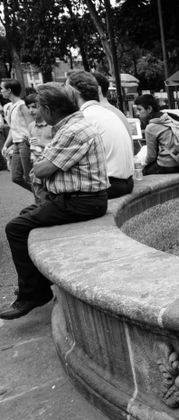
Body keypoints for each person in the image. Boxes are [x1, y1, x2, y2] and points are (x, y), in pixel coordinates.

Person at [0, 82, 109, 320]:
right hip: (74, 199)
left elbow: (41, 169)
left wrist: (41, 167)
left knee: (15, 228)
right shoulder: (71, 126)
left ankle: (33, 294)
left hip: (81, 202)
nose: (35, 113)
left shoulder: (72, 131)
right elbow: (41, 167)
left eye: (37, 107)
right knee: (24, 216)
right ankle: (36, 284)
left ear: (49, 108)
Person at [66, 71, 134, 199]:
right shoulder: (108, 112)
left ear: (75, 92)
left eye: (67, 89)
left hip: (110, 185)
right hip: (126, 182)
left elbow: (63, 161)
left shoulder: (84, 116)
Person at [133, 94, 179, 175]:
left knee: (139, 173)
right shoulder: (171, 116)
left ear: (149, 109)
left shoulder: (151, 127)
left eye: (139, 109)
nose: (137, 113)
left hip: (169, 164)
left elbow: (151, 157)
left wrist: (142, 164)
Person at [1, 79, 35, 191]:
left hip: (25, 144)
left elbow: (32, 125)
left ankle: (41, 201)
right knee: (16, 177)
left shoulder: (22, 106)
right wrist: (6, 145)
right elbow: (12, 129)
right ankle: (43, 198)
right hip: (16, 145)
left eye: (2, 89)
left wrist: (34, 145)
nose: (1, 91)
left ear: (9, 90)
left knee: (30, 177)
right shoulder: (10, 106)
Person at [25, 93, 54, 203]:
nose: (31, 110)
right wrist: (28, 143)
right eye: (29, 107)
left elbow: (58, 146)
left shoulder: (52, 125)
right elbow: (32, 145)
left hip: (47, 165)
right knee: (37, 194)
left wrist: (41, 143)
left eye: (34, 107)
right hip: (35, 163)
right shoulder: (31, 126)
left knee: (47, 194)